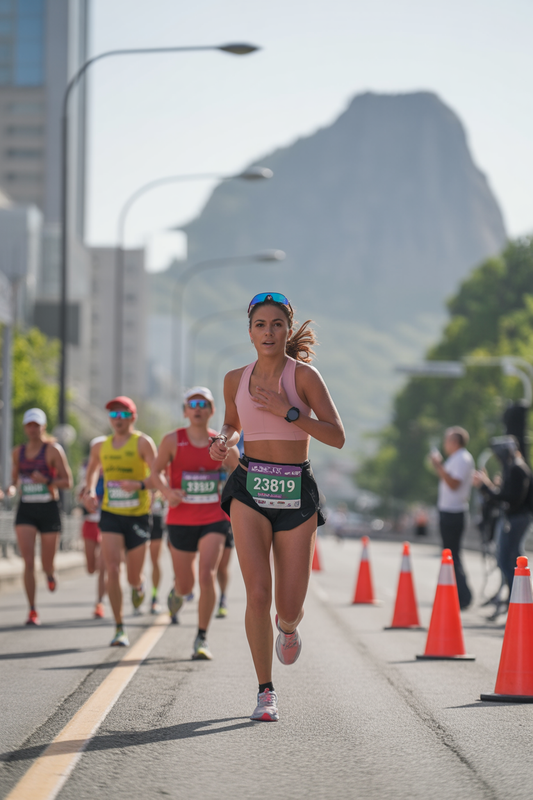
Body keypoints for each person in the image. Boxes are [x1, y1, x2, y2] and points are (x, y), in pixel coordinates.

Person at [210, 292, 345, 722]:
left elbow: (336, 435)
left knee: (287, 607)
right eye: (260, 325)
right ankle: (265, 692)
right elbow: (232, 424)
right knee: (257, 594)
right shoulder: (235, 378)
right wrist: (224, 441)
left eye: (276, 325)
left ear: (287, 330)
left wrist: (290, 413)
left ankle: (287, 629)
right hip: (250, 485)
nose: (268, 332)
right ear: (249, 332)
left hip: (294, 491)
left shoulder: (303, 376)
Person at [150, 387, 240, 660]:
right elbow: (155, 473)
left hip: (213, 518)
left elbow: (236, 470)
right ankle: (178, 591)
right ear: (186, 412)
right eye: (193, 404)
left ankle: (201, 637)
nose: (198, 408)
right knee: (187, 584)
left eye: (204, 404)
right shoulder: (172, 440)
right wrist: (167, 492)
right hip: (180, 519)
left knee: (206, 575)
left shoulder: (219, 440)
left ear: (212, 411)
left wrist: (228, 452)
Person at [83, 396, 179, 647]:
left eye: (123, 415)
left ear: (132, 418)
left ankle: (138, 588)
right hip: (111, 514)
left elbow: (156, 473)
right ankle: (119, 627)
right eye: (113, 415)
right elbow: (92, 470)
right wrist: (90, 490)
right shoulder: (100, 446)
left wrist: (160, 491)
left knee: (133, 576)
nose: (118, 420)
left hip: (138, 515)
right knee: (112, 568)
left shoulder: (142, 443)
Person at [7, 408, 73, 625]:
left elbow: (68, 482)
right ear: (25, 428)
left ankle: (50, 573)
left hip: (48, 509)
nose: (33, 429)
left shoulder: (53, 450)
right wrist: (8, 491)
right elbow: (14, 483)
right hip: (26, 509)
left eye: (37, 425)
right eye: (29, 425)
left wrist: (46, 481)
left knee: (46, 563)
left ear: (43, 427)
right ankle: (32, 610)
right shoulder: (18, 452)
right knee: (27, 561)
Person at [474, 436, 532, 598]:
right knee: (508, 559)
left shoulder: (517, 469)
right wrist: (487, 486)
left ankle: (519, 598)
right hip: (514, 518)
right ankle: (514, 598)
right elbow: (505, 496)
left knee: (508, 560)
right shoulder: (514, 468)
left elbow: (510, 497)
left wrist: (485, 486)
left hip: (517, 519)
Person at [430, 426, 474, 609]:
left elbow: (453, 484)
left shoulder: (462, 458)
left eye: (447, 440)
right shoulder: (456, 458)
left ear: (455, 441)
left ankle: (464, 596)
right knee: (450, 554)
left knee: (452, 555)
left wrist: (438, 465)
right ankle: (456, 594)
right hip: (449, 511)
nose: (445, 443)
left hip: (454, 513)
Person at [79, 436, 107, 618]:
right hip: (90, 522)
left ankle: (99, 603)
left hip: (108, 523)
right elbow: (79, 494)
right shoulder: (87, 470)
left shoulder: (115, 470)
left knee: (103, 566)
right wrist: (84, 496)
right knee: (91, 568)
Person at [149, 492, 166, 613]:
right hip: (138, 516)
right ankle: (138, 586)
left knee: (155, 561)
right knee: (134, 564)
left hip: (157, 518)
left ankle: (154, 596)